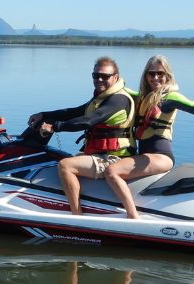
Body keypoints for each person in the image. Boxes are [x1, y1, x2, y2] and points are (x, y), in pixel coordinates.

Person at [104, 55, 194, 218]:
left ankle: (132, 216)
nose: (156, 77)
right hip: (144, 155)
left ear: (167, 76)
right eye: (151, 73)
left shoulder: (170, 97)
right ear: (146, 76)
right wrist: (108, 80)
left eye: (160, 73)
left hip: (160, 156)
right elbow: (121, 89)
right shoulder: (143, 97)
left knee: (112, 172)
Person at [27, 56, 136, 215]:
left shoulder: (118, 100)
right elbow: (75, 112)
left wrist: (54, 127)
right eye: (95, 75)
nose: (99, 79)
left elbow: (88, 121)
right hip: (101, 154)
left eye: (104, 76)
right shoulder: (102, 97)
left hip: (114, 157)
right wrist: (44, 115)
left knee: (65, 165)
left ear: (116, 78)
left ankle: (76, 215)